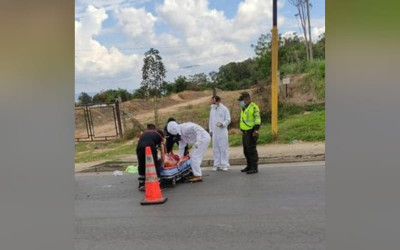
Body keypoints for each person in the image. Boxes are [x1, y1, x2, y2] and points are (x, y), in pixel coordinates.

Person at [136, 124, 165, 191]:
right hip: (150, 148)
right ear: (154, 129)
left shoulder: (143, 134)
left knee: (142, 165)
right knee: (155, 164)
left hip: (139, 149)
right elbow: (163, 148)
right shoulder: (158, 134)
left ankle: (141, 184)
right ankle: (157, 183)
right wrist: (162, 159)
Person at [238, 92, 261, 174]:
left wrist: (256, 130)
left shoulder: (253, 107)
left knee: (251, 150)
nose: (241, 101)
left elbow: (257, 119)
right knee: (246, 151)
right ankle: (249, 166)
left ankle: (254, 167)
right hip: (244, 132)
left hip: (251, 131)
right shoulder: (244, 107)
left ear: (247, 98)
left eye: (242, 99)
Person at [209, 95, 231, 171]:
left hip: (222, 131)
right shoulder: (212, 109)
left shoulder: (224, 109)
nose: (212, 102)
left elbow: (228, 119)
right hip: (215, 132)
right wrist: (211, 131)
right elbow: (211, 121)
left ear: (218, 101)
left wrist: (223, 124)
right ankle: (217, 164)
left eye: (214, 101)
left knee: (223, 147)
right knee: (215, 148)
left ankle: (225, 164)